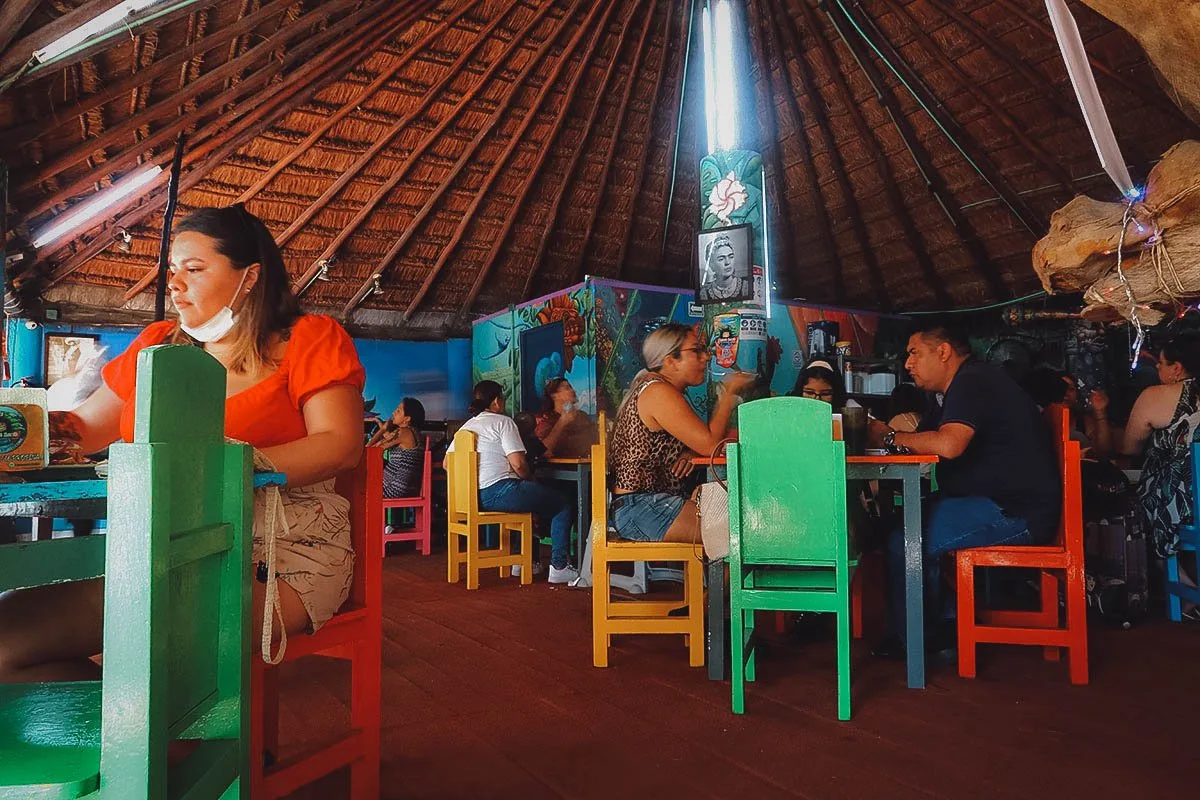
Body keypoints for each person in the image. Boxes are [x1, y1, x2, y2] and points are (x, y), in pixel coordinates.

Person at [0, 204, 366, 683]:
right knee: (7, 640)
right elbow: (83, 429)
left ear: (249, 277)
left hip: (280, 553)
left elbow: (340, 445)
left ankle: (173, 747)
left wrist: (215, 467)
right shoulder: (158, 345)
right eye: (172, 271)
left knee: (145, 649)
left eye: (194, 270)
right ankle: (149, 750)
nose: (173, 284)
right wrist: (13, 431)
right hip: (162, 551)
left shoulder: (307, 339)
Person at [867, 319, 1060, 658]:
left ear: (943, 351)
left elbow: (949, 444)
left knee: (905, 539)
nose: (907, 363)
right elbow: (926, 443)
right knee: (899, 527)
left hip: (1015, 511)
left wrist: (889, 436)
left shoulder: (973, 382)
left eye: (914, 353)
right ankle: (941, 627)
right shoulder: (947, 394)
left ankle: (920, 640)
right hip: (994, 503)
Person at [609, 323, 754, 543]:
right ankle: (717, 578)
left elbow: (687, 442)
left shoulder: (655, 388)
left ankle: (713, 578)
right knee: (739, 535)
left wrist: (688, 451)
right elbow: (711, 446)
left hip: (646, 504)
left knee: (737, 530)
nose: (706, 358)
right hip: (642, 508)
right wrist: (729, 393)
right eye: (696, 351)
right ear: (670, 361)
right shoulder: (659, 392)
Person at [448, 381, 577, 583]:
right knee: (562, 502)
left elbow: (448, 464)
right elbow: (518, 464)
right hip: (499, 492)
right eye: (504, 398)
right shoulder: (503, 422)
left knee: (532, 498)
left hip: (471, 498)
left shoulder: (466, 427)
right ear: (497, 402)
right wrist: (529, 479)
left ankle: (525, 563)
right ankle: (559, 566)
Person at [1123, 331, 1200, 616]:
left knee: (1139, 512)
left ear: (1177, 368)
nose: (1157, 367)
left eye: (1161, 363)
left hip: (1181, 505)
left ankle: (1187, 592)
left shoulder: (1156, 396)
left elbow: (1129, 447)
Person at [370, 397, 426, 500]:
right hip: (408, 488)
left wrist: (382, 429)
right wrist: (380, 424)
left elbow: (370, 450)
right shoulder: (413, 433)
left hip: (392, 488)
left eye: (398, 410)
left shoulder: (403, 432)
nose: (393, 412)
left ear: (407, 418)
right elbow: (389, 438)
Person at [534, 378, 593, 459]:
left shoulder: (583, 417)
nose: (572, 391)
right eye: (567, 388)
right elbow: (541, 451)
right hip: (561, 469)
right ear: (554, 395)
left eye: (571, 387)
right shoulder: (546, 420)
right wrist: (561, 423)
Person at [697, 233, 749, 303]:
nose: (727, 262)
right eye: (721, 259)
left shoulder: (746, 287)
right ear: (711, 264)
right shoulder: (703, 293)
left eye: (731, 257)